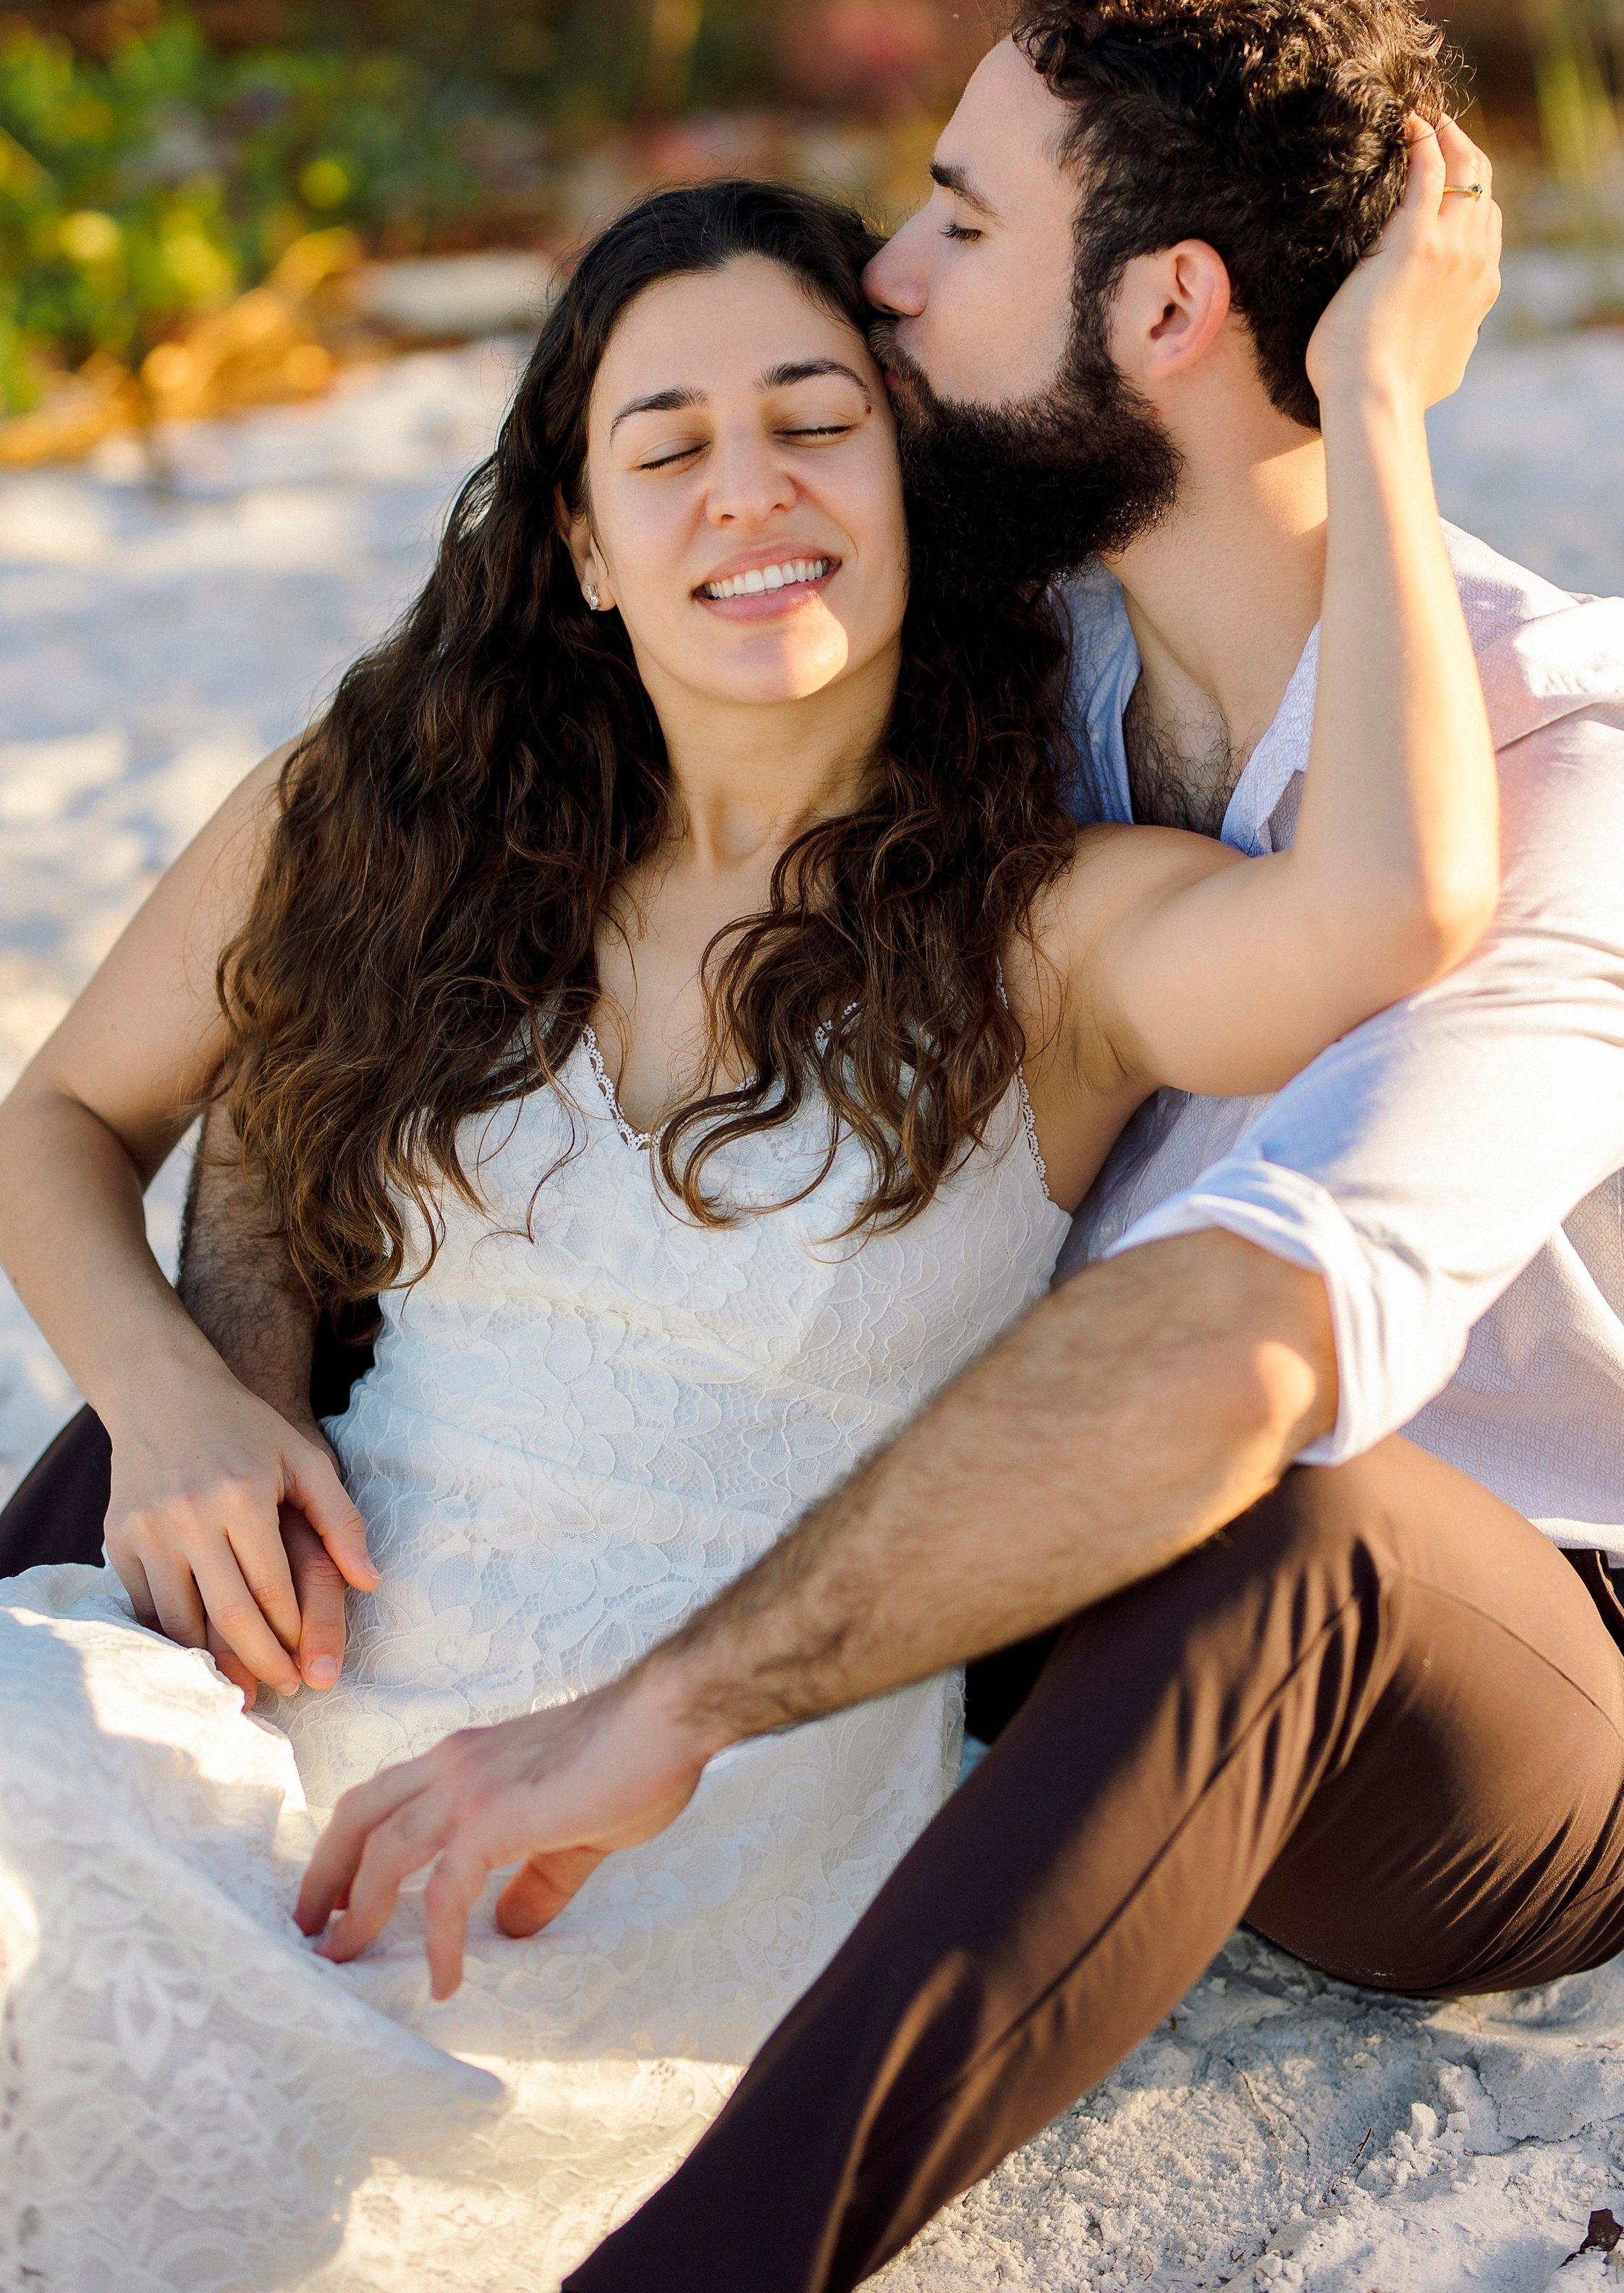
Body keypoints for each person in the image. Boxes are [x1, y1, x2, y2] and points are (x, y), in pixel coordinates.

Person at [0, 133, 1501, 2287]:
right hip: (246, 1737)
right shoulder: (390, 808)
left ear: (912, 494)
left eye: (818, 427)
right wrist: (165, 1396)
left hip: (680, 1863)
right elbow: (55, 1117)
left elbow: (1397, 907)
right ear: (587, 546)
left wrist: (1377, 413)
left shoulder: (1045, 939)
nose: (751, 493)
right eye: (668, 446)